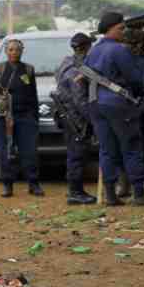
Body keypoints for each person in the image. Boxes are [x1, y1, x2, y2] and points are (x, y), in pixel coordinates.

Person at [84, 12, 144, 206]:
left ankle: (110, 194)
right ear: (111, 28)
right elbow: (136, 78)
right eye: (121, 28)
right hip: (119, 104)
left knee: (107, 149)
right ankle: (138, 193)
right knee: (131, 147)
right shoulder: (120, 50)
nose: (123, 32)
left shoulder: (93, 51)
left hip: (96, 104)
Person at [0, 39, 43, 198]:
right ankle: (7, 185)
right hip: (3, 117)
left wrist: (34, 118)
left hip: (25, 117)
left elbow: (33, 96)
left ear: (22, 51)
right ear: (6, 51)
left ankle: (33, 183)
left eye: (17, 49)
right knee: (4, 152)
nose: (14, 52)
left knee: (29, 152)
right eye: (10, 50)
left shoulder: (28, 70)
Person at [55, 33, 97, 205]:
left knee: (75, 154)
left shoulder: (67, 63)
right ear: (86, 47)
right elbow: (80, 100)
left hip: (69, 115)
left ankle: (76, 190)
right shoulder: (75, 70)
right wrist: (94, 120)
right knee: (76, 155)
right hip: (75, 119)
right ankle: (75, 192)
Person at [118, 28, 144, 198]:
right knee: (128, 145)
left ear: (138, 45)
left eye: (127, 44)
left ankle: (139, 183)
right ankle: (125, 183)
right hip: (127, 107)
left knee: (139, 146)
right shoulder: (127, 59)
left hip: (140, 108)